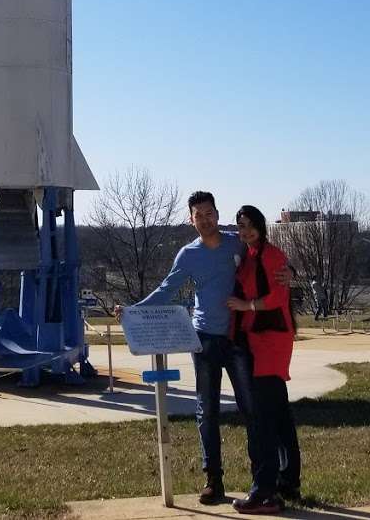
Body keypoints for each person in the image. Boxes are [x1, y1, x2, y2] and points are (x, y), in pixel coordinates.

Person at [136, 191, 258, 506]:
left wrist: (289, 274)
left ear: (218, 214)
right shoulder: (188, 254)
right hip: (204, 338)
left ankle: (262, 482)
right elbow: (167, 289)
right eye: (198, 215)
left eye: (209, 213)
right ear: (191, 220)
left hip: (236, 337)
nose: (204, 220)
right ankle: (213, 481)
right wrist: (133, 309)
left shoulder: (237, 244)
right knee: (207, 410)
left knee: (250, 407)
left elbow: (265, 260)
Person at [227, 205, 301, 516]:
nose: (245, 231)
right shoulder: (249, 254)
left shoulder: (270, 254)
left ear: (260, 226)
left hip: (268, 342)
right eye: (240, 226)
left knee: (263, 420)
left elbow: (278, 298)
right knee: (278, 413)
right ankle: (288, 480)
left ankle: (265, 492)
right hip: (255, 340)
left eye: (249, 225)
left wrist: (246, 305)